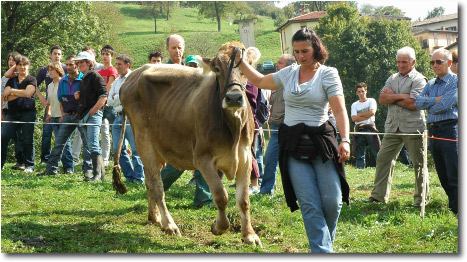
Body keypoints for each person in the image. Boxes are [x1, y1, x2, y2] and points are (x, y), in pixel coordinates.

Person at [233, 28, 351, 253]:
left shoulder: (328, 73)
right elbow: (258, 80)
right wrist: (240, 61)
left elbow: (339, 110)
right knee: (309, 203)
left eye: (305, 51)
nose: (301, 56)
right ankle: (323, 252)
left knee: (332, 202)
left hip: (321, 142)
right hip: (293, 144)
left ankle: (322, 246)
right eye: (296, 52)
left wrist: (344, 139)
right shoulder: (288, 73)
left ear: (316, 49)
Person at [364, 46, 428, 207]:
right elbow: (382, 99)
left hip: (413, 127)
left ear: (413, 62)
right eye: (398, 62)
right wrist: (402, 97)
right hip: (393, 127)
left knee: (419, 163)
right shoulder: (392, 77)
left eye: (404, 62)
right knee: (383, 158)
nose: (401, 65)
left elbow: (414, 104)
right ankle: (378, 196)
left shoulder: (420, 79)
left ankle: (421, 199)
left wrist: (393, 96)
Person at [160, 36, 212, 208]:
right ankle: (156, 186)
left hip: (193, 122)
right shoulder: (161, 72)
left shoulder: (191, 71)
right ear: (167, 48)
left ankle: (203, 199)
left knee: (201, 158)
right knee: (177, 161)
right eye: (173, 47)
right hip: (171, 123)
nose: (177, 51)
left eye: (180, 47)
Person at [415, 48, 458, 214]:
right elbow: (417, 103)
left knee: (454, 171)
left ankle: (458, 207)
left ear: (448, 63)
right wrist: (435, 100)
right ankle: (453, 204)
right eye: (432, 62)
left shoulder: (456, 81)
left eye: (438, 62)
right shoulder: (430, 83)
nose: (434, 65)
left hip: (450, 129)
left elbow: (444, 105)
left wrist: (430, 103)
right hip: (433, 131)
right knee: (442, 172)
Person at [37, 55, 92, 177]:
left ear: (77, 65)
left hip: (81, 116)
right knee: (59, 142)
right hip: (67, 116)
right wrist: (63, 113)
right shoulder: (63, 81)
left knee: (87, 143)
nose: (68, 67)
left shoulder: (84, 79)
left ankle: (88, 171)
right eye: (67, 64)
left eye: (71, 64)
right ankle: (51, 170)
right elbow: (61, 99)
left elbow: (89, 99)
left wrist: (82, 112)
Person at [260, 54, 295, 195]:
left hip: (292, 128)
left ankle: (295, 191)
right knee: (269, 158)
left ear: (289, 66)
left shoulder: (294, 82)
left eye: (280, 63)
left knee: (292, 161)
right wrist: (272, 116)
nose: (277, 65)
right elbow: (273, 102)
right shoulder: (274, 82)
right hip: (276, 128)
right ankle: (266, 190)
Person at [107, 54, 145, 184]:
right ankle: (129, 176)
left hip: (130, 117)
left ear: (127, 65)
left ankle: (139, 177)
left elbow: (129, 97)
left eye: (119, 64)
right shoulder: (117, 81)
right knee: (118, 149)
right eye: (116, 64)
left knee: (136, 149)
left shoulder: (134, 78)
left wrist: (117, 96)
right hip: (117, 117)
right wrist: (120, 96)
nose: (117, 67)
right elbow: (109, 101)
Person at [73, 51, 107, 182]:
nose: (79, 64)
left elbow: (103, 96)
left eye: (82, 62)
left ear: (90, 63)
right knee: (88, 145)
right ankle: (100, 174)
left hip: (93, 115)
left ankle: (98, 175)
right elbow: (89, 96)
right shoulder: (84, 77)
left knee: (92, 144)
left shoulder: (95, 76)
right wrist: (79, 95)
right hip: (85, 115)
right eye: (78, 62)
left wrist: (93, 112)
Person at [1, 55, 38, 172]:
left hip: (28, 113)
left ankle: (29, 165)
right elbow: (6, 98)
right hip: (12, 113)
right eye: (20, 65)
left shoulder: (32, 79)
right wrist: (20, 92)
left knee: (27, 139)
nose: (22, 67)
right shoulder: (11, 80)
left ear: (28, 66)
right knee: (3, 137)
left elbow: (28, 93)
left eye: (25, 64)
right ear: (16, 67)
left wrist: (12, 91)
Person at [43, 62, 74, 173]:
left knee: (66, 143)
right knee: (58, 143)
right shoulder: (50, 85)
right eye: (49, 70)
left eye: (52, 70)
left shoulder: (63, 82)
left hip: (63, 117)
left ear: (58, 70)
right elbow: (49, 102)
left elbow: (65, 100)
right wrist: (48, 115)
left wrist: (63, 114)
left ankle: (69, 167)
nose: (50, 72)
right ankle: (60, 166)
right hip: (53, 117)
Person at [1, 51, 25, 170]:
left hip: (18, 111)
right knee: (4, 137)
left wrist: (11, 92)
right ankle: (1, 163)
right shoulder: (5, 77)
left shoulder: (19, 76)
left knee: (19, 137)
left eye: (14, 60)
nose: (11, 62)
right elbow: (2, 95)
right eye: (9, 60)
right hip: (5, 109)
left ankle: (21, 162)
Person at [97, 45, 119, 167]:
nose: (105, 56)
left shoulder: (112, 71)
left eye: (107, 54)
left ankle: (107, 158)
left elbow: (108, 88)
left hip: (109, 105)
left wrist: (103, 101)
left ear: (112, 56)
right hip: (99, 104)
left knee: (109, 130)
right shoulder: (99, 72)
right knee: (101, 130)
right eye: (103, 54)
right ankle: (100, 157)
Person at [350, 82, 380, 169]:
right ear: (356, 93)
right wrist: (366, 115)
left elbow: (372, 112)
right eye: (359, 92)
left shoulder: (371, 101)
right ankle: (360, 170)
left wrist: (360, 115)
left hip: (370, 128)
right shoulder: (354, 105)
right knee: (360, 153)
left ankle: (380, 169)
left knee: (376, 151)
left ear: (366, 91)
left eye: (362, 91)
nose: (361, 93)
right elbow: (354, 119)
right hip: (359, 129)